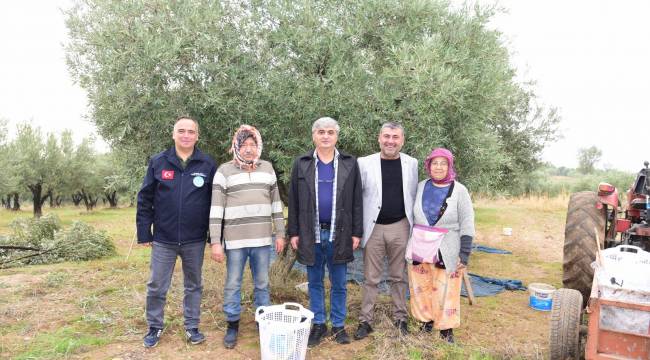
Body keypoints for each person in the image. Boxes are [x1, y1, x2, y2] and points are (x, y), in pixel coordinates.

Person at [136, 116, 217, 348]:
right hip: (164, 238)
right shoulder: (158, 162)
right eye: (181, 131)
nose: (186, 135)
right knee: (156, 285)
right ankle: (154, 326)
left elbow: (215, 203)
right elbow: (145, 198)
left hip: (195, 239)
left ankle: (192, 326)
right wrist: (144, 232)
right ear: (173, 134)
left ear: (197, 136)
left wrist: (213, 236)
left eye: (191, 131)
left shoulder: (207, 164)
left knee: (193, 284)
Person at [287, 116, 363, 347]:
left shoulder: (350, 163)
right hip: (312, 234)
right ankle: (318, 323)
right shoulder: (302, 163)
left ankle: (338, 325)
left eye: (330, 132)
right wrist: (294, 232)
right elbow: (294, 200)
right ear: (314, 136)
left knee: (339, 283)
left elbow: (357, 201)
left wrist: (356, 232)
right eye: (321, 132)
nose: (326, 136)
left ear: (336, 136)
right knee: (315, 282)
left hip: (339, 234)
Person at [208, 124, 285, 349]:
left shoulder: (268, 168)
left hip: (262, 240)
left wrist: (280, 233)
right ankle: (232, 324)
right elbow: (216, 209)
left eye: (253, 144)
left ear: (258, 146)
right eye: (244, 145)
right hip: (235, 242)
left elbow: (276, 205)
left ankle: (264, 323)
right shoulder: (224, 171)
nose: (249, 149)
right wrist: (215, 242)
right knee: (233, 284)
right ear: (236, 147)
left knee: (262, 284)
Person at [354, 122, 418, 339]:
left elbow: (412, 196)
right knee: (370, 278)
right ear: (379, 138)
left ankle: (401, 318)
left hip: (401, 226)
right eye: (387, 136)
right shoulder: (363, 163)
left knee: (398, 276)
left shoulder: (412, 163)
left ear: (402, 140)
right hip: (373, 228)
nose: (391, 141)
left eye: (395, 137)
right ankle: (366, 320)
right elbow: (357, 198)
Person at [406, 148, 474, 344]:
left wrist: (465, 253)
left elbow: (468, 221)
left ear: (450, 166)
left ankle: (446, 329)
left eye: (443, 163)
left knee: (447, 288)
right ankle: (425, 322)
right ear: (429, 165)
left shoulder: (460, 190)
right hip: (420, 245)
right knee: (421, 286)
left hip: (448, 247)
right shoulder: (420, 186)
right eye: (434, 163)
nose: (438, 167)